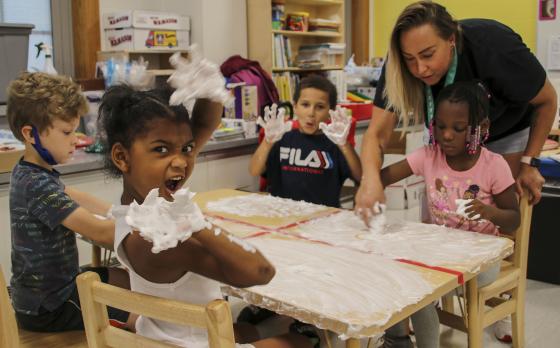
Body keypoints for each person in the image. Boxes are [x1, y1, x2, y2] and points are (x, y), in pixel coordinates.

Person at [98, 50, 312, 347]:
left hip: (164, 334)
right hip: (195, 342)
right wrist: (200, 225)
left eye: (186, 149)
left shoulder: (133, 208)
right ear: (122, 156)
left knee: (257, 326)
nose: (181, 162)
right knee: (301, 341)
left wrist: (211, 93)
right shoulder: (160, 237)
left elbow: (196, 131)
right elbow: (261, 271)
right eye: (161, 149)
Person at [356, 1, 557, 225]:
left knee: (495, 221)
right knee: (441, 210)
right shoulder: (398, 65)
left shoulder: (494, 46)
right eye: (410, 59)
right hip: (442, 134)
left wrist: (530, 162)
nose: (420, 68)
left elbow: (547, 101)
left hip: (506, 132)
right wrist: (370, 180)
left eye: (428, 55)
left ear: (451, 39)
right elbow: (377, 133)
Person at [378, 81, 521, 347]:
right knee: (398, 269)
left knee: (420, 289)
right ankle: (396, 339)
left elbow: (514, 218)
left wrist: (488, 212)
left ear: (483, 128)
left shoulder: (494, 166)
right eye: (440, 126)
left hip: (483, 261)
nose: (446, 136)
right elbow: (382, 177)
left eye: (458, 129)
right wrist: (355, 162)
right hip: (441, 252)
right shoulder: (429, 156)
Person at [6, 72, 131, 332]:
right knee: (143, 314)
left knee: (127, 280)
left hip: (50, 290)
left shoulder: (30, 171)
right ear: (30, 134)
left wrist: (116, 211)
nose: (76, 139)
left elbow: (71, 194)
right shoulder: (37, 184)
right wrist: (143, 227)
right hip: (52, 306)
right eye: (67, 132)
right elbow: (98, 232)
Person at [249, 75, 362, 208]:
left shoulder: (335, 143)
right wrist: (267, 142)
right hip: (282, 215)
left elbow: (361, 177)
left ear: (330, 111)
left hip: (323, 219)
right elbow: (254, 170)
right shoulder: (282, 138)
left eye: (320, 107)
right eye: (305, 105)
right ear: (295, 106)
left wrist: (344, 144)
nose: (311, 113)